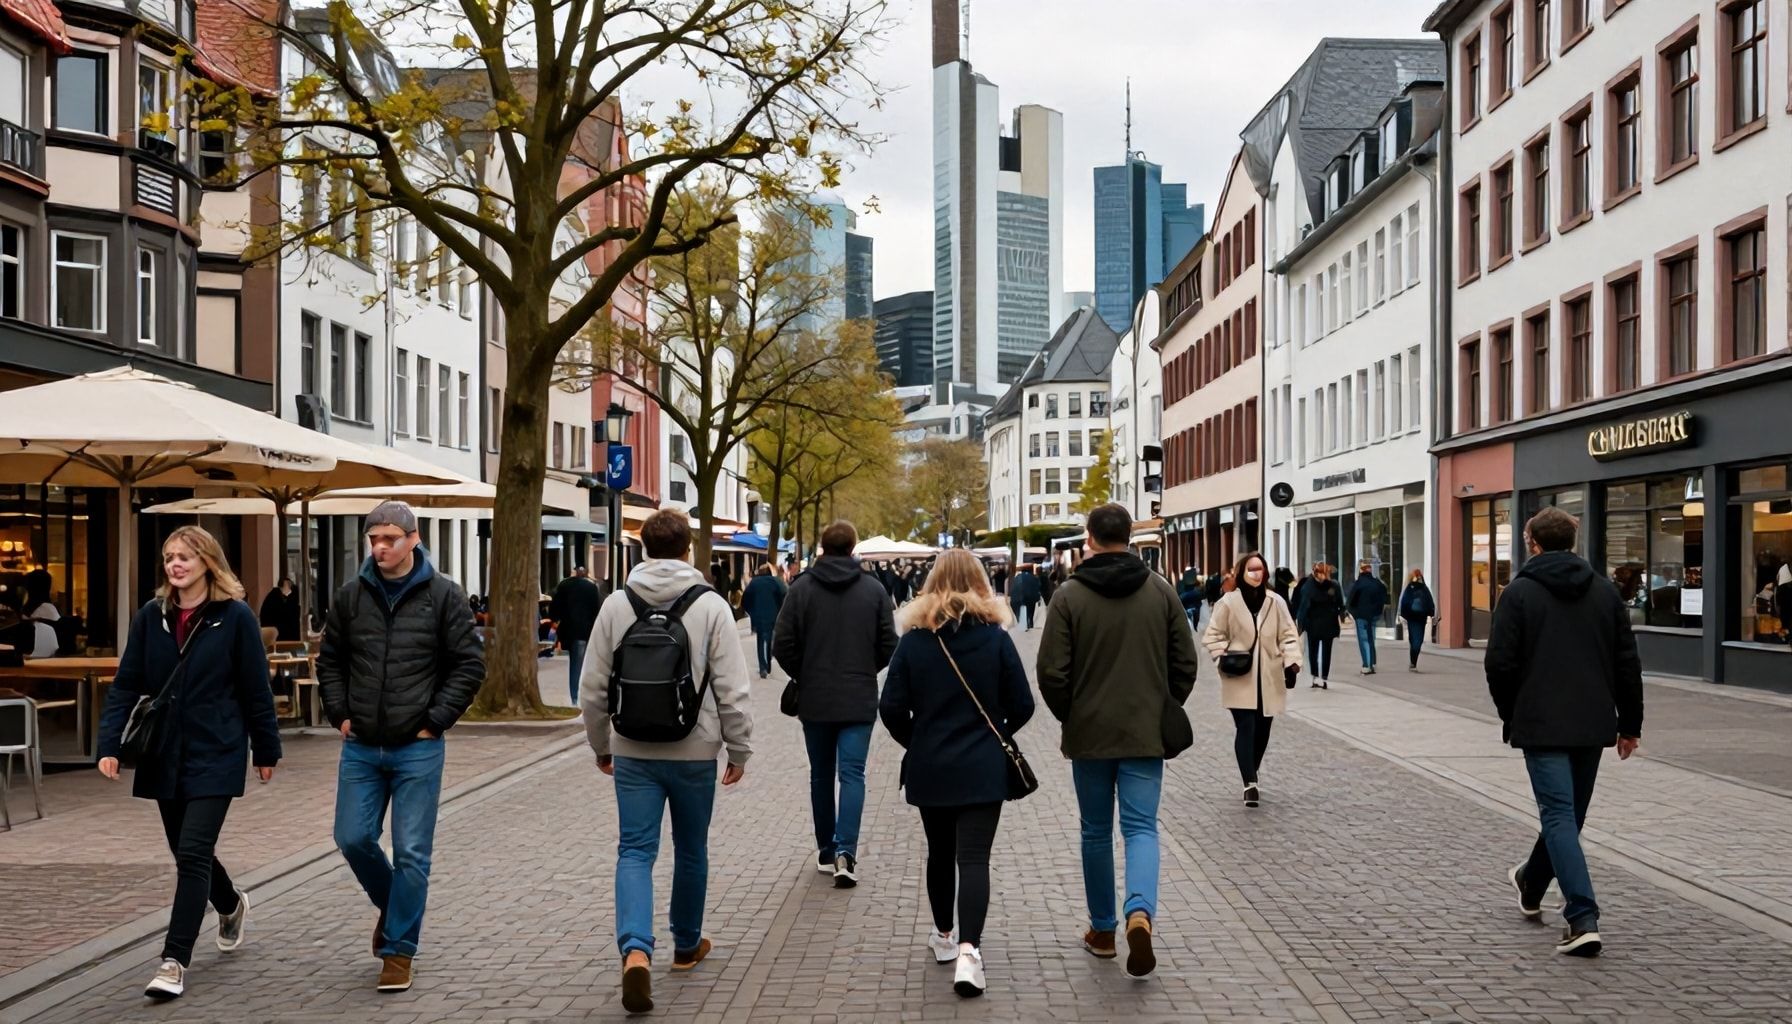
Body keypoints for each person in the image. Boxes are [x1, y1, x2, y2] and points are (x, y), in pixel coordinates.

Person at [96, 526, 282, 1000]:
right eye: (169, 557)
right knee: (186, 851)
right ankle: (230, 903)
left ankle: (173, 960)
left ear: (207, 563)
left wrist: (266, 749)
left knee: (194, 852)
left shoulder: (234, 618)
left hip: (216, 750)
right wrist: (109, 744)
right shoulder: (150, 617)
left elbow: (255, 688)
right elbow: (126, 684)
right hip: (163, 752)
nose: (175, 565)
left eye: (184, 557)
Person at [580, 509, 752, 1013]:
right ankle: (685, 944)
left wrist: (601, 745)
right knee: (691, 848)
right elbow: (733, 690)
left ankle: (635, 949)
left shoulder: (616, 604)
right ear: (687, 549)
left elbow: (592, 689)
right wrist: (738, 749)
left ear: (643, 547)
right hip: (695, 749)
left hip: (633, 749)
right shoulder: (711, 606)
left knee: (634, 850)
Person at [318, 501, 484, 994]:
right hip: (363, 745)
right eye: (374, 539)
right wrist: (339, 713)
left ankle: (398, 952)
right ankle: (396, 911)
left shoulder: (445, 596)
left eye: (390, 538)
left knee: (412, 852)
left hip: (418, 748)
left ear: (413, 539)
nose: (381, 547)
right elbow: (330, 661)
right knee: (352, 838)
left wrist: (435, 721)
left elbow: (469, 665)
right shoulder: (350, 597)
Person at [1037, 504, 1199, 980]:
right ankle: (1140, 912)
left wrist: (1072, 714)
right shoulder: (1161, 592)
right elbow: (1185, 663)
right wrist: (1164, 705)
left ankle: (1103, 931)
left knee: (1094, 831)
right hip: (1145, 733)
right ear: (1130, 536)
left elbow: (1051, 672)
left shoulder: (1068, 596)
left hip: (1089, 735)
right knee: (1142, 827)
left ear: (1089, 539)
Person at [1486, 507, 1643, 958]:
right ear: (1571, 542)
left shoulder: (1517, 594)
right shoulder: (1605, 593)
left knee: (1560, 817)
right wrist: (1629, 724)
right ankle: (1531, 881)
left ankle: (1582, 917)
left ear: (1532, 543)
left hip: (1540, 723)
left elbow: (1499, 663)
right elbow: (1626, 664)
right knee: (1567, 817)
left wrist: (1511, 712)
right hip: (1591, 724)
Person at [879, 549, 1034, 998]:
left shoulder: (914, 640)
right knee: (974, 858)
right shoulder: (995, 638)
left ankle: (944, 935)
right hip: (983, 766)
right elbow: (1022, 703)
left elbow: (889, 707)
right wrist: (995, 734)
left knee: (939, 852)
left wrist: (919, 738)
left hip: (932, 765)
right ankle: (971, 952)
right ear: (981, 583)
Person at [773, 520, 897, 888]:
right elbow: (889, 645)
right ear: (854, 547)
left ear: (823, 548)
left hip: (815, 697)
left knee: (821, 774)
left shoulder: (801, 589)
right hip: (858, 697)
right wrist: (864, 668)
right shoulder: (874, 591)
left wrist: (805, 671)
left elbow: (783, 643)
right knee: (853, 774)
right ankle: (847, 851)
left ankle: (826, 849)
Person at [1202, 553, 1302, 807]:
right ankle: (1250, 783)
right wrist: (1223, 657)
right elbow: (1213, 635)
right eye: (1251, 569)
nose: (1257, 574)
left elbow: (1288, 634)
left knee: (1263, 729)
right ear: (1242, 572)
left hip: (1269, 674)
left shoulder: (1275, 601)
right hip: (1239, 675)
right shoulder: (1228, 602)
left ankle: (1252, 770)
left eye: (1260, 569)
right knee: (1246, 727)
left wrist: (1292, 662)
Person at [550, 566, 604, 705]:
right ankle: (580, 695)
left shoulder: (564, 586)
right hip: (585, 630)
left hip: (569, 629)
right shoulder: (592, 588)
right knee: (581, 664)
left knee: (575, 664)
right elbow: (596, 610)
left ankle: (575, 696)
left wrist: (557, 619)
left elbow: (555, 607)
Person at [1295, 563, 1344, 689]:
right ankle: (1316, 676)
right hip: (1314, 623)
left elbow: (1340, 603)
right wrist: (1300, 623)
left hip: (1327, 622)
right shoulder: (1308, 586)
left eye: (1326, 573)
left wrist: (1341, 613)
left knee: (1325, 651)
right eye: (1322, 573)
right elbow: (1303, 606)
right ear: (1316, 573)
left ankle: (1323, 677)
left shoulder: (1331, 585)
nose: (1324, 576)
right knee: (1313, 651)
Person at [739, 562, 786, 678]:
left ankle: (763, 668)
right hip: (773, 615)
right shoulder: (776, 582)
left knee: (760, 641)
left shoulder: (754, 583)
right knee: (770, 639)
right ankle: (769, 662)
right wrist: (780, 608)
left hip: (758, 616)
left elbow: (745, 599)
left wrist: (751, 611)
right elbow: (785, 593)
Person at [1346, 562, 1390, 675]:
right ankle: (1372, 662)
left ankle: (1367, 665)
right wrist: (1379, 611)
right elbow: (1384, 597)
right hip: (1374, 615)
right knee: (1371, 639)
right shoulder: (1377, 584)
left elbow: (1350, 600)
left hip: (1361, 615)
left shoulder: (1358, 584)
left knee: (1364, 639)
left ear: (1360, 571)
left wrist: (1353, 613)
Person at [1398, 569, 1437, 671]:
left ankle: (1413, 662)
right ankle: (1413, 661)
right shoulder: (1424, 588)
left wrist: (1404, 615)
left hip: (1413, 618)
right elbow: (1430, 602)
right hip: (1420, 618)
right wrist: (1431, 613)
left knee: (1414, 640)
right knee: (1418, 640)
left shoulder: (1410, 588)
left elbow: (1404, 602)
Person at [258, 577, 302, 643]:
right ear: (283, 586)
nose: (290, 588)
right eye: (289, 585)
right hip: (277, 636)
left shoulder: (283, 597)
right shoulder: (274, 596)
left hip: (280, 634)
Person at [1008, 565, 1042, 630]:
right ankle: (1030, 623)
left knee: (1019, 614)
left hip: (1017, 599)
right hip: (1031, 598)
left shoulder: (1017, 577)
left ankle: (1021, 623)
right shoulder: (1033, 577)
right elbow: (1038, 588)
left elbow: (1012, 589)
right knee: (1030, 613)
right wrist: (1038, 598)